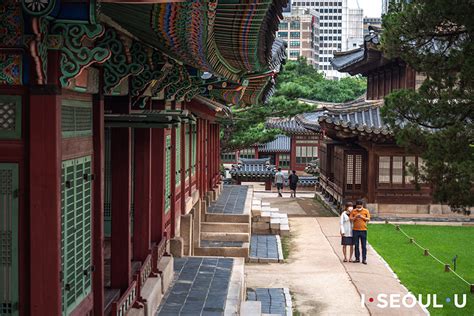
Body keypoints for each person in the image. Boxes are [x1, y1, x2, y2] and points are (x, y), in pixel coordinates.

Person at [350, 199, 370, 264]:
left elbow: (368, 219)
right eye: (357, 207)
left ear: (362, 205)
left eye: (360, 207)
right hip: (355, 230)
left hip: (363, 230)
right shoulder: (353, 211)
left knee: (364, 245)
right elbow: (351, 219)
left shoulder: (366, 211)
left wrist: (362, 217)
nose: (358, 208)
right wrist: (355, 216)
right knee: (356, 245)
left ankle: (364, 259)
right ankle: (357, 258)